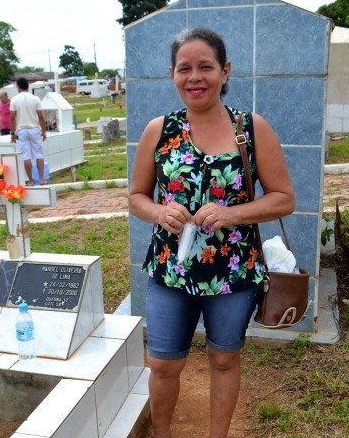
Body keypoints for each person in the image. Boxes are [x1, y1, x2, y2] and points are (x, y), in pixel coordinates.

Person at [129, 28, 295, 438]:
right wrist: (158, 212)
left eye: (206, 67)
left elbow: (283, 198)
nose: (195, 77)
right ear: (173, 74)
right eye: (184, 68)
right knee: (164, 363)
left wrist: (231, 213)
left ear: (225, 71)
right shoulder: (159, 130)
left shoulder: (250, 128)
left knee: (224, 359)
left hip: (234, 271)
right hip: (172, 269)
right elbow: (136, 196)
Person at [10, 77, 48, 185]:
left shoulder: (14, 99)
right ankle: (41, 179)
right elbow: (41, 116)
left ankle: (30, 180)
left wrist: (12, 133)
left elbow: (12, 117)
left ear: (18, 86)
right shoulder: (36, 99)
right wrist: (44, 131)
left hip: (21, 130)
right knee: (39, 155)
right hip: (35, 129)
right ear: (28, 85)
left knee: (26, 156)